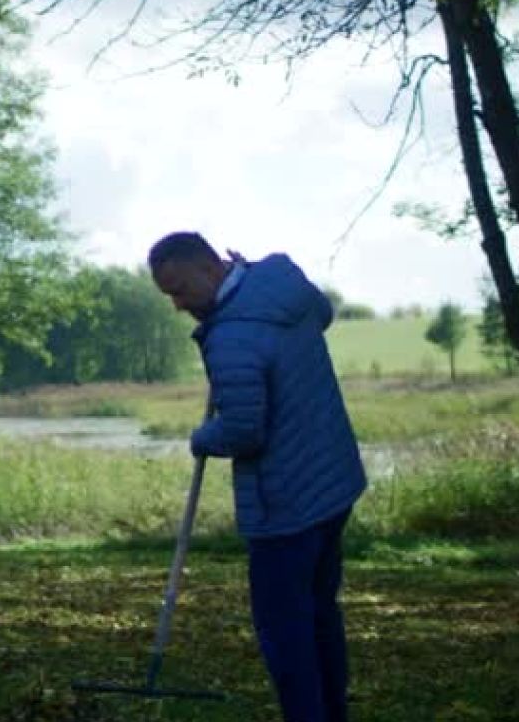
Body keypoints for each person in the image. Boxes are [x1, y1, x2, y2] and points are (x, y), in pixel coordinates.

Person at [149, 231, 367, 722]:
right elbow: (323, 313)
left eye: (181, 290)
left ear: (209, 269)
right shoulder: (282, 281)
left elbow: (245, 433)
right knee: (318, 613)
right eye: (170, 296)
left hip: (286, 502)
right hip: (334, 482)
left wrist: (202, 437)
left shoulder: (230, 338)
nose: (179, 305)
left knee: (285, 633)